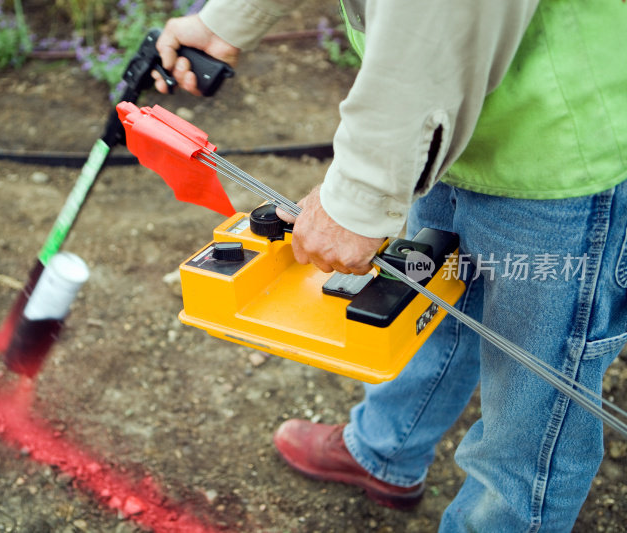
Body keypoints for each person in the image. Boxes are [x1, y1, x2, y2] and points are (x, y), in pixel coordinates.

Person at [153, 1, 627, 531]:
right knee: (422, 315)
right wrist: (227, 19)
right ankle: (384, 453)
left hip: (558, 148)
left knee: (534, 415)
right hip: (449, 127)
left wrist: (361, 195)